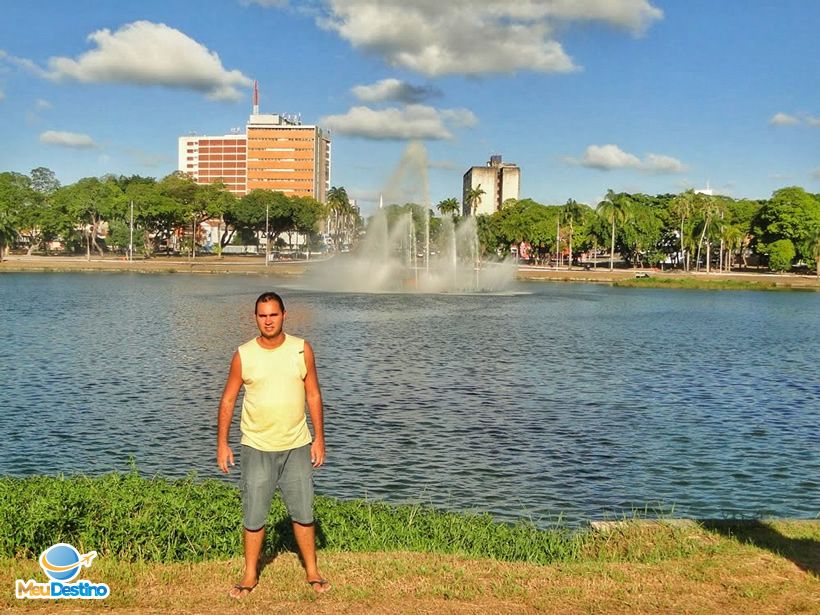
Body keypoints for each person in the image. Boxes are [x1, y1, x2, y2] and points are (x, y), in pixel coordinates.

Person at [217, 291, 329, 598]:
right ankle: (250, 574)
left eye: (273, 314)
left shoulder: (301, 349)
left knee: (304, 513)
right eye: (262, 315)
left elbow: (314, 395)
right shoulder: (243, 354)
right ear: (256, 318)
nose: (268, 320)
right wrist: (222, 444)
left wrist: (319, 439)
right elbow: (228, 399)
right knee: (254, 516)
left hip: (297, 445)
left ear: (284, 315)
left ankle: (313, 572)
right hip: (256, 446)